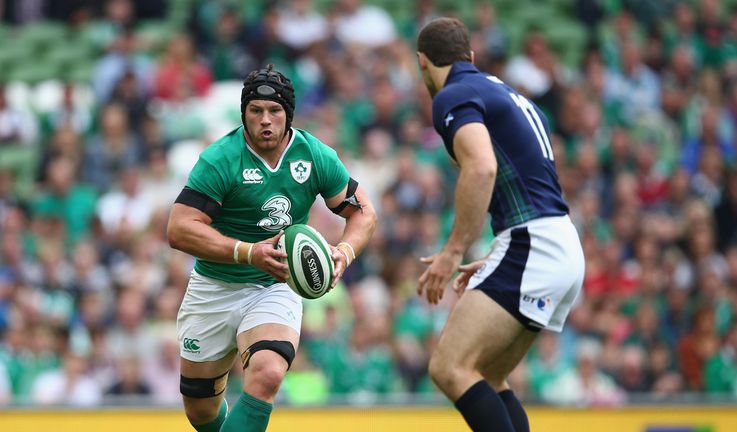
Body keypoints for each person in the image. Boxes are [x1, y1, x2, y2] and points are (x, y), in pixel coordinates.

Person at [166, 64, 376, 432]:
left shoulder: (314, 156)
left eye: (275, 111)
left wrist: (344, 253)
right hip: (214, 286)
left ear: (288, 115)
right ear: (244, 114)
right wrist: (248, 252)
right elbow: (179, 229)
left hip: (274, 285)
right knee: (200, 410)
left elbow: (363, 212)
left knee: (269, 373)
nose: (265, 120)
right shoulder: (220, 159)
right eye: (256, 110)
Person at [415, 18, 585, 432]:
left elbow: (482, 168)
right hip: (557, 242)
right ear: (471, 57)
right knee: (488, 375)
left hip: (532, 245)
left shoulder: (453, 94)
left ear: (422, 63)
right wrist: (499, 255)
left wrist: (453, 251)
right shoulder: (509, 94)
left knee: (450, 367)